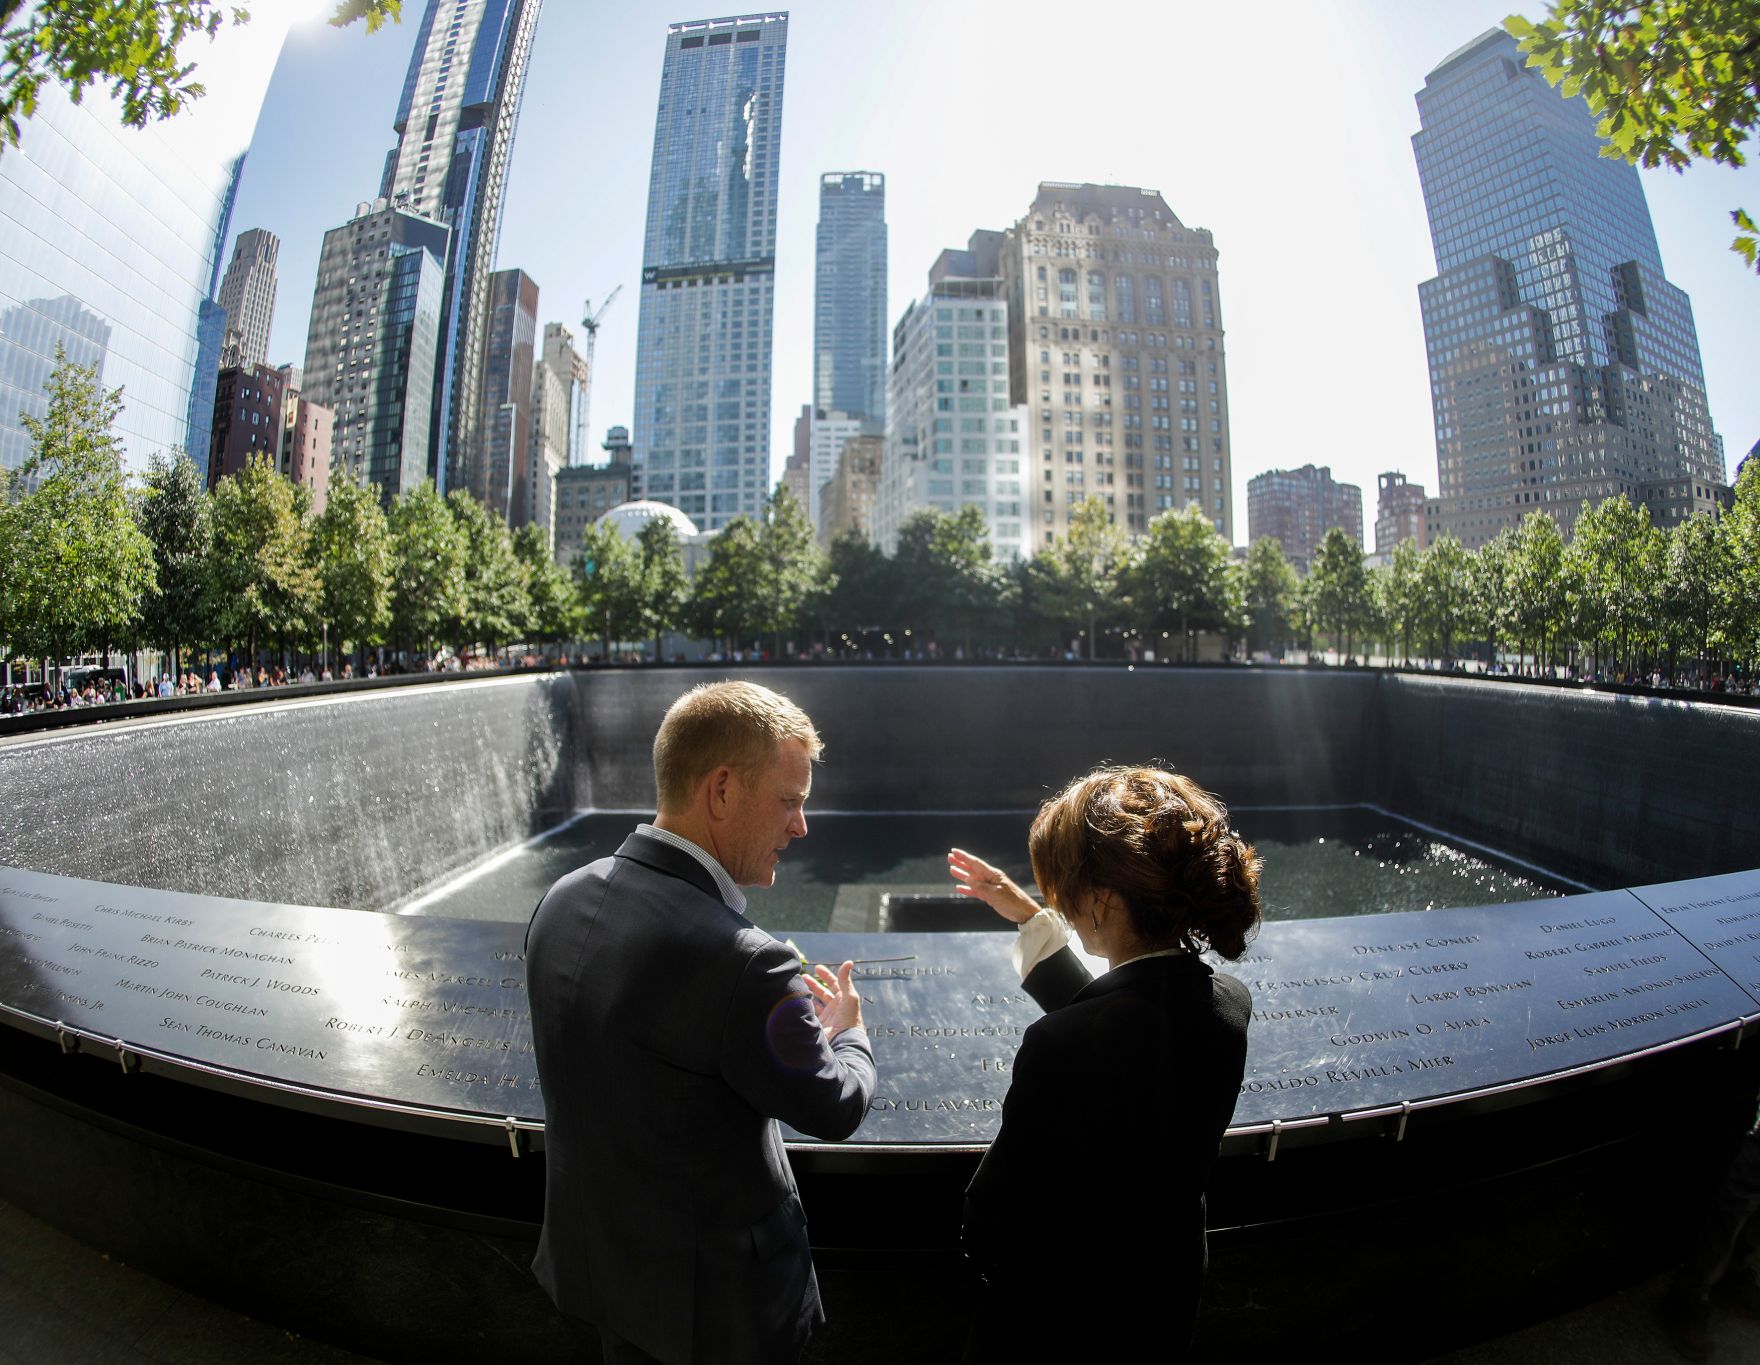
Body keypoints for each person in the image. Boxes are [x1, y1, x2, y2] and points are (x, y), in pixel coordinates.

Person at [525, 680, 876, 1365]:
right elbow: (834, 1104)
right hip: (716, 1314)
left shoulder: (562, 898)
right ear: (720, 790)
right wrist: (848, 1030)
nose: (800, 826)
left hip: (599, 1270)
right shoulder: (745, 962)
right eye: (790, 801)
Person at [947, 765, 1261, 1362]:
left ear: (1103, 902)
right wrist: (1030, 919)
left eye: (1064, 890)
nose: (1058, 902)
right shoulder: (1226, 1006)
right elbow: (1132, 1030)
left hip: (1061, 1328)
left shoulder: (1062, 1047)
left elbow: (991, 1224)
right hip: (1160, 1308)